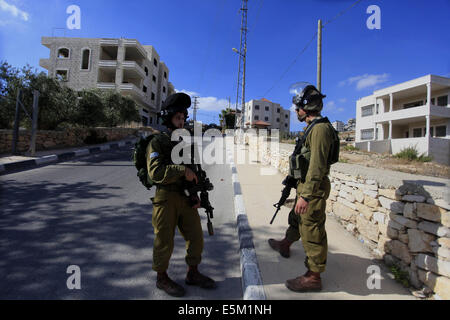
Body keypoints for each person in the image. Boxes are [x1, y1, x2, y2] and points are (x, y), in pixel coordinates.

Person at [268, 83, 338, 292]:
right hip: (305, 184)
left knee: (312, 230)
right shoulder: (312, 128)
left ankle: (314, 276)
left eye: (297, 107)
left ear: (305, 108)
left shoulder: (320, 130)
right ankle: (286, 244)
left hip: (312, 189)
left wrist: (306, 196)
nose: (295, 110)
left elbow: (317, 165)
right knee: (297, 220)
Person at [147, 92, 216, 297]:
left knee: (196, 237)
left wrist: (195, 194)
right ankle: (161, 278)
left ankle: (192, 273)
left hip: (186, 198)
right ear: (169, 118)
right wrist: (180, 171)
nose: (182, 122)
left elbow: (193, 171)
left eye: (184, 118)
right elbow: (156, 173)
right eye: (178, 118)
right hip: (166, 199)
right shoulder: (157, 142)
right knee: (164, 241)